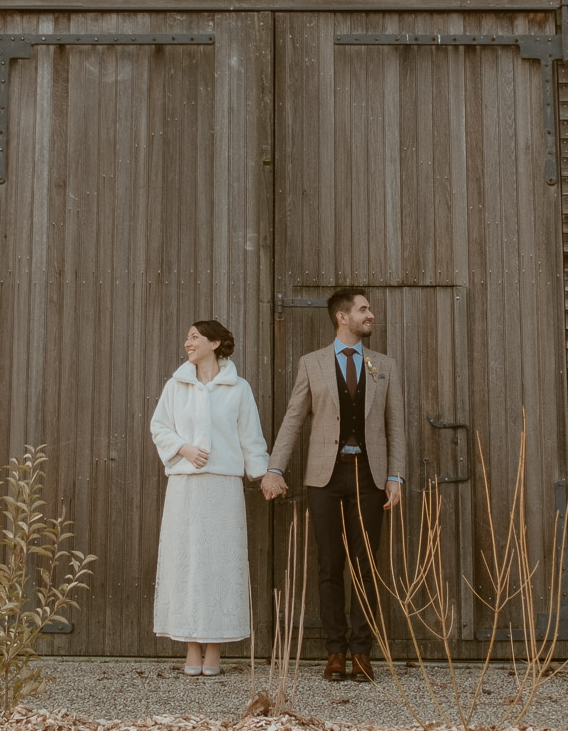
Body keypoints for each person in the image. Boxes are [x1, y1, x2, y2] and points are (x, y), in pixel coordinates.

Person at [260, 288, 405, 683]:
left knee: (366, 565)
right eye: (364, 309)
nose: (370, 315)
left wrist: (395, 476)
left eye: (369, 309)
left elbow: (396, 425)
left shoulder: (383, 365)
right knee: (329, 565)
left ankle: (362, 652)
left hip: (369, 476)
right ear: (343, 317)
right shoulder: (313, 364)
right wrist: (274, 469)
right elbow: (293, 419)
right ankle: (334, 652)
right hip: (324, 476)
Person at [148, 319, 269, 676]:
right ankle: (190, 647)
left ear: (215, 343)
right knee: (186, 562)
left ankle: (215, 649)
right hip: (185, 488)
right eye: (187, 337)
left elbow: (251, 436)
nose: (188, 342)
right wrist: (183, 448)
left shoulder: (238, 388)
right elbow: (159, 426)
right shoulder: (176, 385)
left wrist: (263, 476)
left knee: (220, 564)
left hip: (223, 489)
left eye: (195, 337)